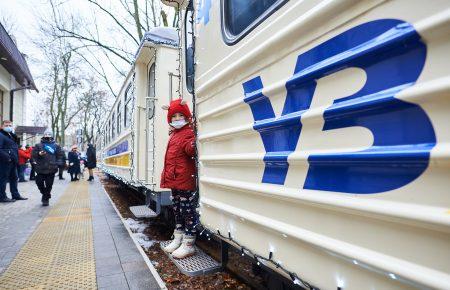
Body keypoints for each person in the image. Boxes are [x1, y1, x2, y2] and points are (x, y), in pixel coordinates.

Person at [161, 99, 198, 259]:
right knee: (177, 210)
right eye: (173, 116)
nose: (177, 119)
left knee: (187, 211)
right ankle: (178, 238)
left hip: (185, 181)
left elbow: (190, 151)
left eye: (180, 115)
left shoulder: (188, 132)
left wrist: (194, 139)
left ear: (187, 117)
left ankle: (189, 243)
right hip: (175, 180)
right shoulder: (175, 134)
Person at [32, 131, 64, 206]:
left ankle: (45, 199)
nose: (47, 136)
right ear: (43, 136)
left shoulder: (56, 146)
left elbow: (60, 156)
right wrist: (39, 154)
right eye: (46, 134)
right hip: (40, 168)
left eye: (49, 135)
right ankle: (46, 194)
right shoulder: (38, 145)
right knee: (39, 183)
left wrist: (58, 164)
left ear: (52, 136)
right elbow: (33, 155)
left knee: (49, 185)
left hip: (51, 168)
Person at [0, 120, 28, 202]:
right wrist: (8, 158)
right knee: (3, 179)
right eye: (6, 125)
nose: (8, 127)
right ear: (2, 126)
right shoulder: (1, 135)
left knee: (14, 178)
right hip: (5, 162)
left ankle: (15, 195)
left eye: (10, 125)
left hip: (13, 161)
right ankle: (2, 197)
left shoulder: (11, 135)